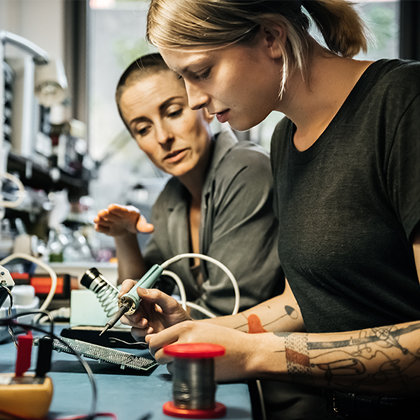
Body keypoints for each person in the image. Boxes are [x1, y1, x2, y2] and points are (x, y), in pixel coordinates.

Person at [118, 1, 420, 419]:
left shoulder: (404, 103)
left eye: (201, 72)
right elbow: (300, 305)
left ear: (271, 37)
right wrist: (193, 329)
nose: (193, 99)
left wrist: (256, 354)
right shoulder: (285, 140)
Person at [94, 53, 284, 320]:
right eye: (143, 129)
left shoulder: (248, 169)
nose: (163, 137)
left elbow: (227, 309)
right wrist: (124, 237)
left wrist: (155, 315)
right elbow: (138, 301)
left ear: (204, 106)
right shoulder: (169, 199)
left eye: (173, 112)